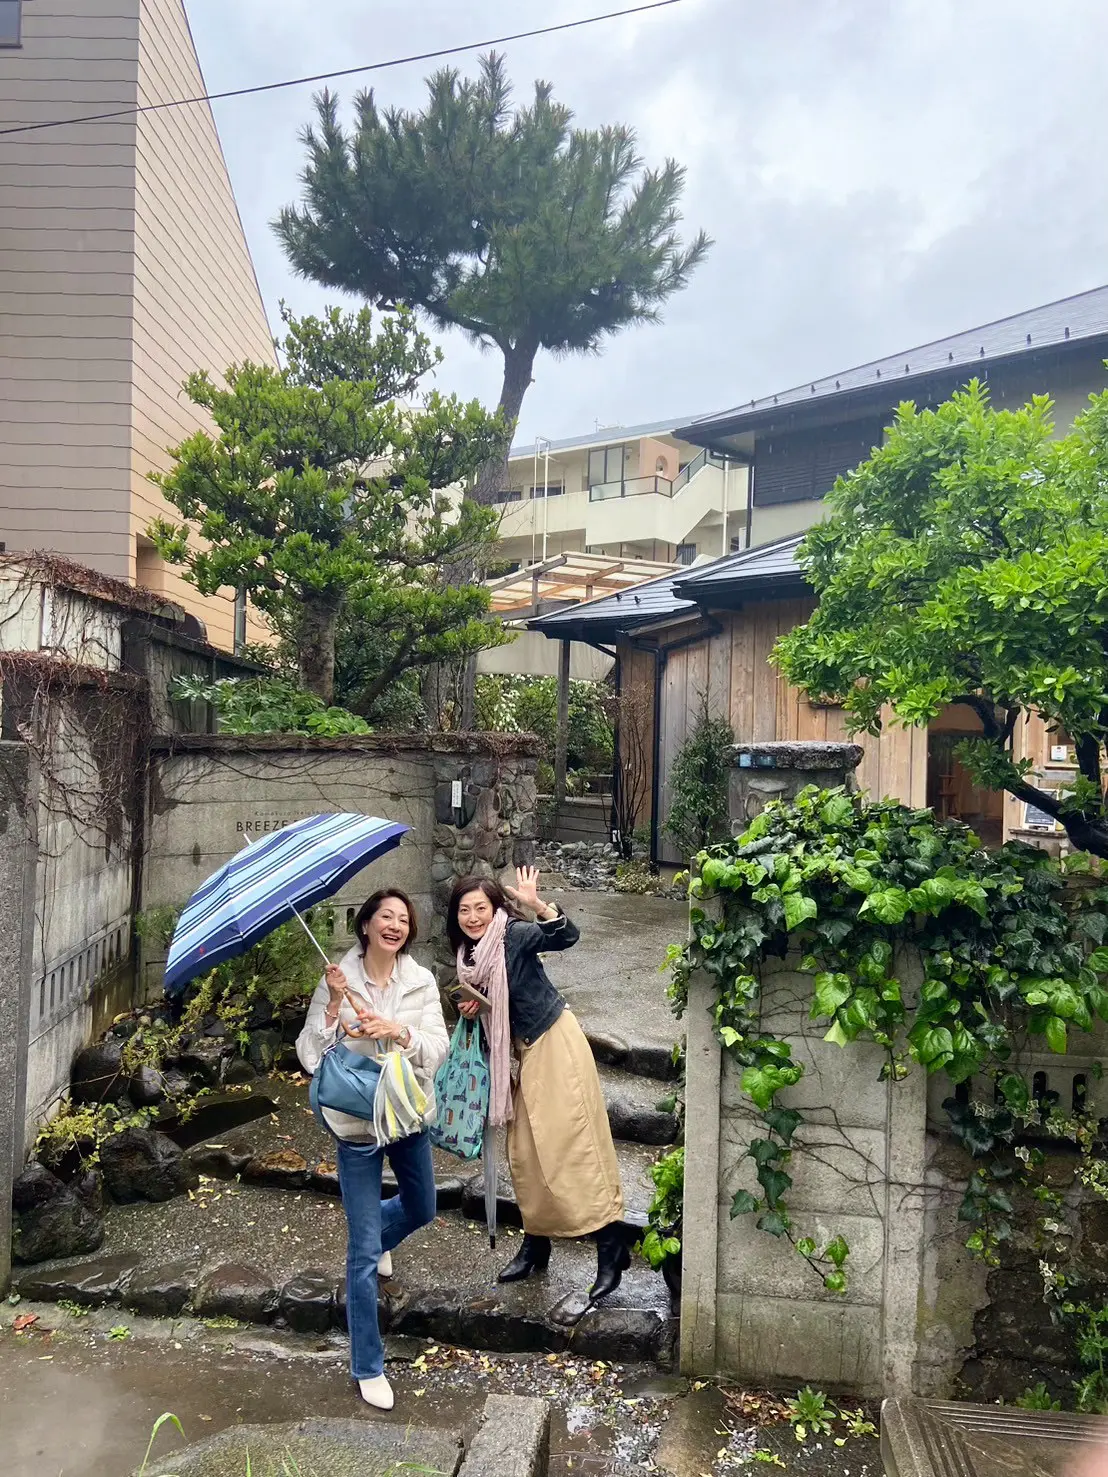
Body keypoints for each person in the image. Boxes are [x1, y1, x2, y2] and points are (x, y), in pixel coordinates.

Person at [297, 888, 448, 1412]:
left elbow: (438, 1049)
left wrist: (399, 1032)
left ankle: (379, 1234)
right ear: (366, 925)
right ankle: (368, 1366)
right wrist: (334, 1006)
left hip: (406, 1116)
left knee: (422, 1207)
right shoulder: (337, 978)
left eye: (403, 918)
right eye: (386, 916)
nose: (395, 925)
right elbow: (310, 1056)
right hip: (357, 1124)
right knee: (361, 1255)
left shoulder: (420, 980)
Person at [448, 866, 628, 1301]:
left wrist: (538, 906)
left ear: (495, 909)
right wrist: (473, 1010)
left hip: (554, 1040)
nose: (472, 917)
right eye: (464, 910)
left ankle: (611, 1243)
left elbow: (566, 937)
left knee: (573, 1144)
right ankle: (536, 1242)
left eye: (480, 908)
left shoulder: (513, 935)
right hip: (521, 1054)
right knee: (526, 1151)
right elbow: (494, 1009)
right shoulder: (468, 957)